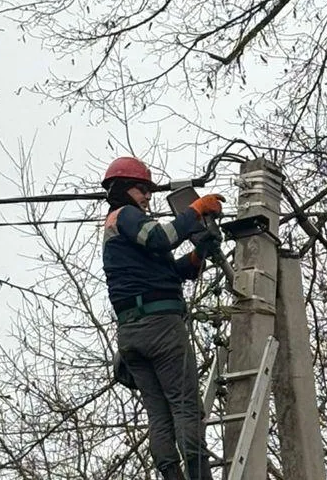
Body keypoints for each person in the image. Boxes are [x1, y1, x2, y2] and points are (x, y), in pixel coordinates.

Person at [101, 156, 226, 480]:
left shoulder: (123, 231)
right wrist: (196, 210)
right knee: (185, 407)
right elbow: (162, 237)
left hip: (132, 336)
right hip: (160, 329)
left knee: (160, 415)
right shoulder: (126, 216)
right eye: (142, 190)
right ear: (123, 189)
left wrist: (199, 255)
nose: (146, 197)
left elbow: (171, 272)